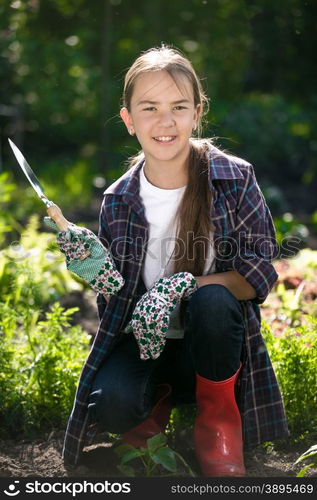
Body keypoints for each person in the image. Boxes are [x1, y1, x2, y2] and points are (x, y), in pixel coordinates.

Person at [53, 45, 289, 476]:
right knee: (111, 404)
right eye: (149, 108)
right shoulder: (118, 199)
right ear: (128, 120)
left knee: (214, 301)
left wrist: (183, 285)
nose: (165, 122)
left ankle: (218, 429)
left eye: (179, 107)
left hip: (214, 349)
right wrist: (95, 268)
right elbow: (119, 299)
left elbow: (259, 274)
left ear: (197, 113)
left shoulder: (234, 178)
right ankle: (155, 405)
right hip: (148, 346)